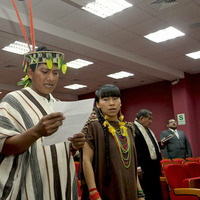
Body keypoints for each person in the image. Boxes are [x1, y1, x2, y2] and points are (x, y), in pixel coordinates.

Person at [0, 46, 85, 200]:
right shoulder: (13, 101)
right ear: (30, 73)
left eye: (55, 73)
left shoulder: (59, 105)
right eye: (45, 72)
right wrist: (36, 132)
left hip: (63, 184)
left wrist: (74, 145)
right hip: (29, 188)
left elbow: (59, 147)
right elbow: (4, 147)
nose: (51, 78)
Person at [81, 84, 145, 200]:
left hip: (130, 191)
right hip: (106, 192)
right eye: (105, 99)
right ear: (97, 104)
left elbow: (132, 165)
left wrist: (140, 192)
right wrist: (93, 193)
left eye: (115, 98)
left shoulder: (128, 128)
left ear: (120, 102)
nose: (111, 103)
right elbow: (86, 161)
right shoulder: (93, 127)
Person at [133, 109, 163, 200]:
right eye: (149, 119)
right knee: (148, 193)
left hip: (153, 168)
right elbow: (135, 149)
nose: (151, 122)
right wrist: (137, 166)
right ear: (141, 118)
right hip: (144, 169)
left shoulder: (146, 129)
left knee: (156, 192)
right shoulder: (134, 129)